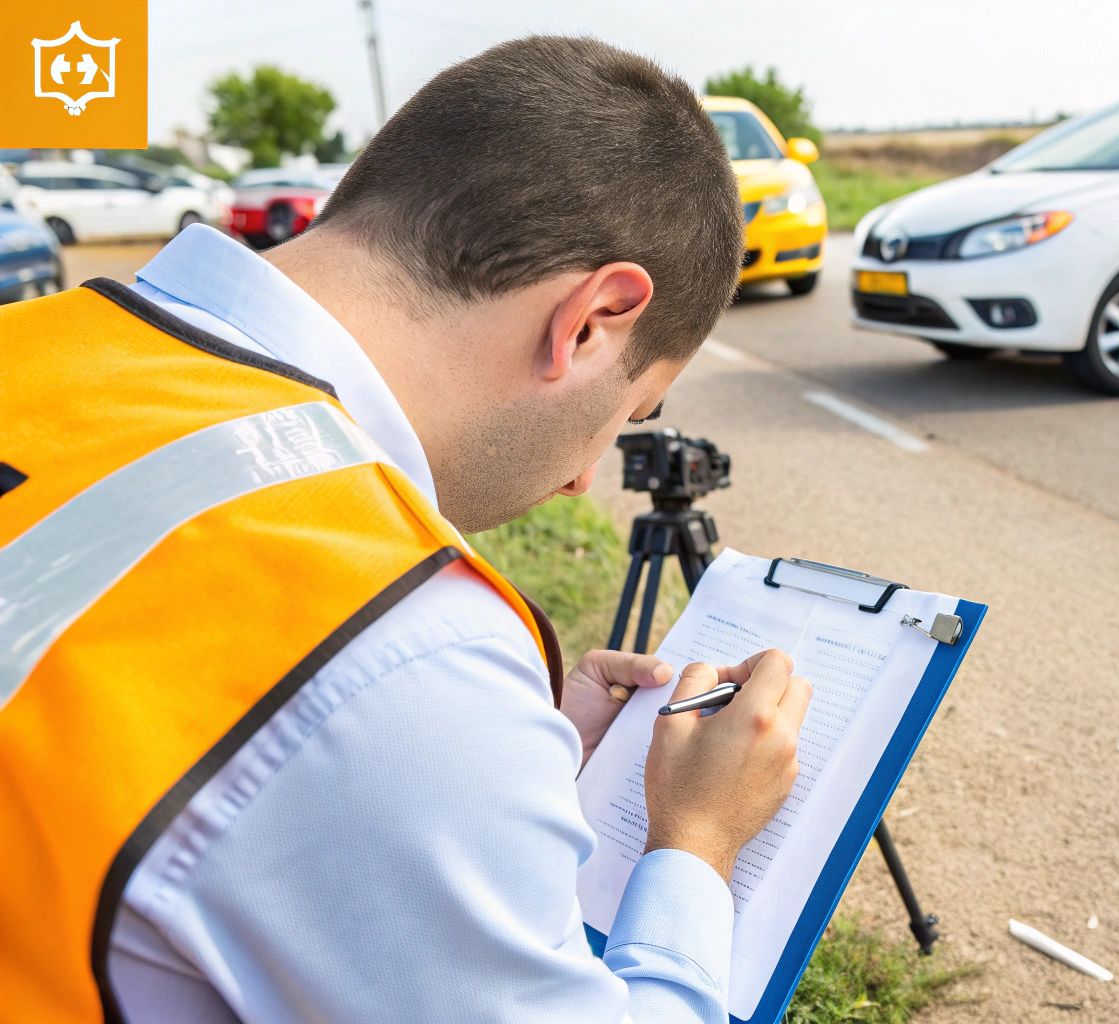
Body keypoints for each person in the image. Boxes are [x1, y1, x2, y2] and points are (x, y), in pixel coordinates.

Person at [0, 37, 812, 1022]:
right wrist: (697, 847)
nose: (580, 477)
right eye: (628, 411)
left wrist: (503, 745)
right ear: (593, 319)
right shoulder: (395, 640)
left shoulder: (33, 341)